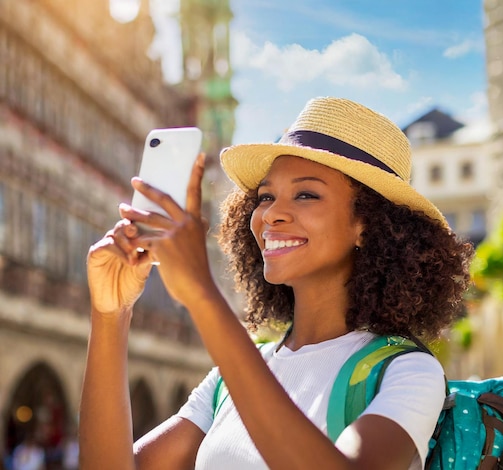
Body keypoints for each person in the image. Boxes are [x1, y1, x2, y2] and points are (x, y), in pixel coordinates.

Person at [79, 97, 474, 469]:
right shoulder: (226, 382)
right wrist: (111, 313)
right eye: (265, 197)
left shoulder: (407, 371)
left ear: (368, 225)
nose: (271, 215)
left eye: (305, 195)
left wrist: (202, 294)